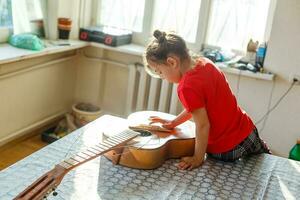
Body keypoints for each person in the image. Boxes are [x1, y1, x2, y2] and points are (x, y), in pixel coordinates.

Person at [144, 30, 271, 170]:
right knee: (267, 163)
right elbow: (199, 106)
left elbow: (203, 125)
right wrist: (174, 122)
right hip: (248, 133)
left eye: (160, 72)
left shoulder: (186, 87)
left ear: (172, 62)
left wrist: (198, 158)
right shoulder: (204, 63)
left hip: (226, 149)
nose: (163, 77)